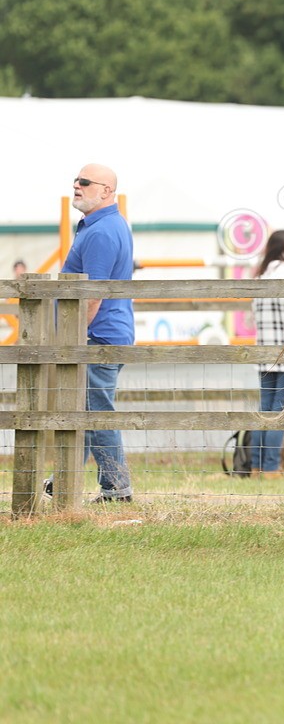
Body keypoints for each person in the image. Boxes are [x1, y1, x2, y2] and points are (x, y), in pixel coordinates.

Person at [44, 165, 135, 503]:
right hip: (104, 333)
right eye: (75, 181)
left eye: (84, 182)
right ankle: (63, 480)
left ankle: (116, 489)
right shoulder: (106, 225)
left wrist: (74, 338)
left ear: (106, 191)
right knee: (86, 411)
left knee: (97, 414)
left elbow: (92, 294)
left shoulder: (100, 232)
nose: (76, 186)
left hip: (97, 336)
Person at [250, 230, 284, 479]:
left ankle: (256, 466)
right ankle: (271, 468)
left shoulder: (260, 275)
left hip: (263, 351)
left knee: (264, 409)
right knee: (280, 411)